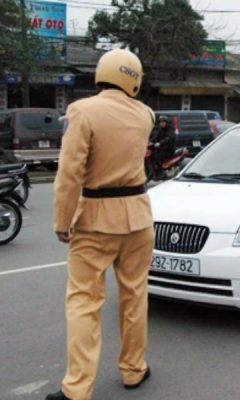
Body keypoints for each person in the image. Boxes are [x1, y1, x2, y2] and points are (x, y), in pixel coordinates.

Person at [47, 49, 155, 400]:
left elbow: (69, 173)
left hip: (95, 219)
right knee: (135, 296)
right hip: (138, 218)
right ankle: (134, 369)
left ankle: (78, 389)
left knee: (83, 302)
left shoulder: (82, 111)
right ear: (133, 79)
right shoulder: (146, 115)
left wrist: (63, 221)